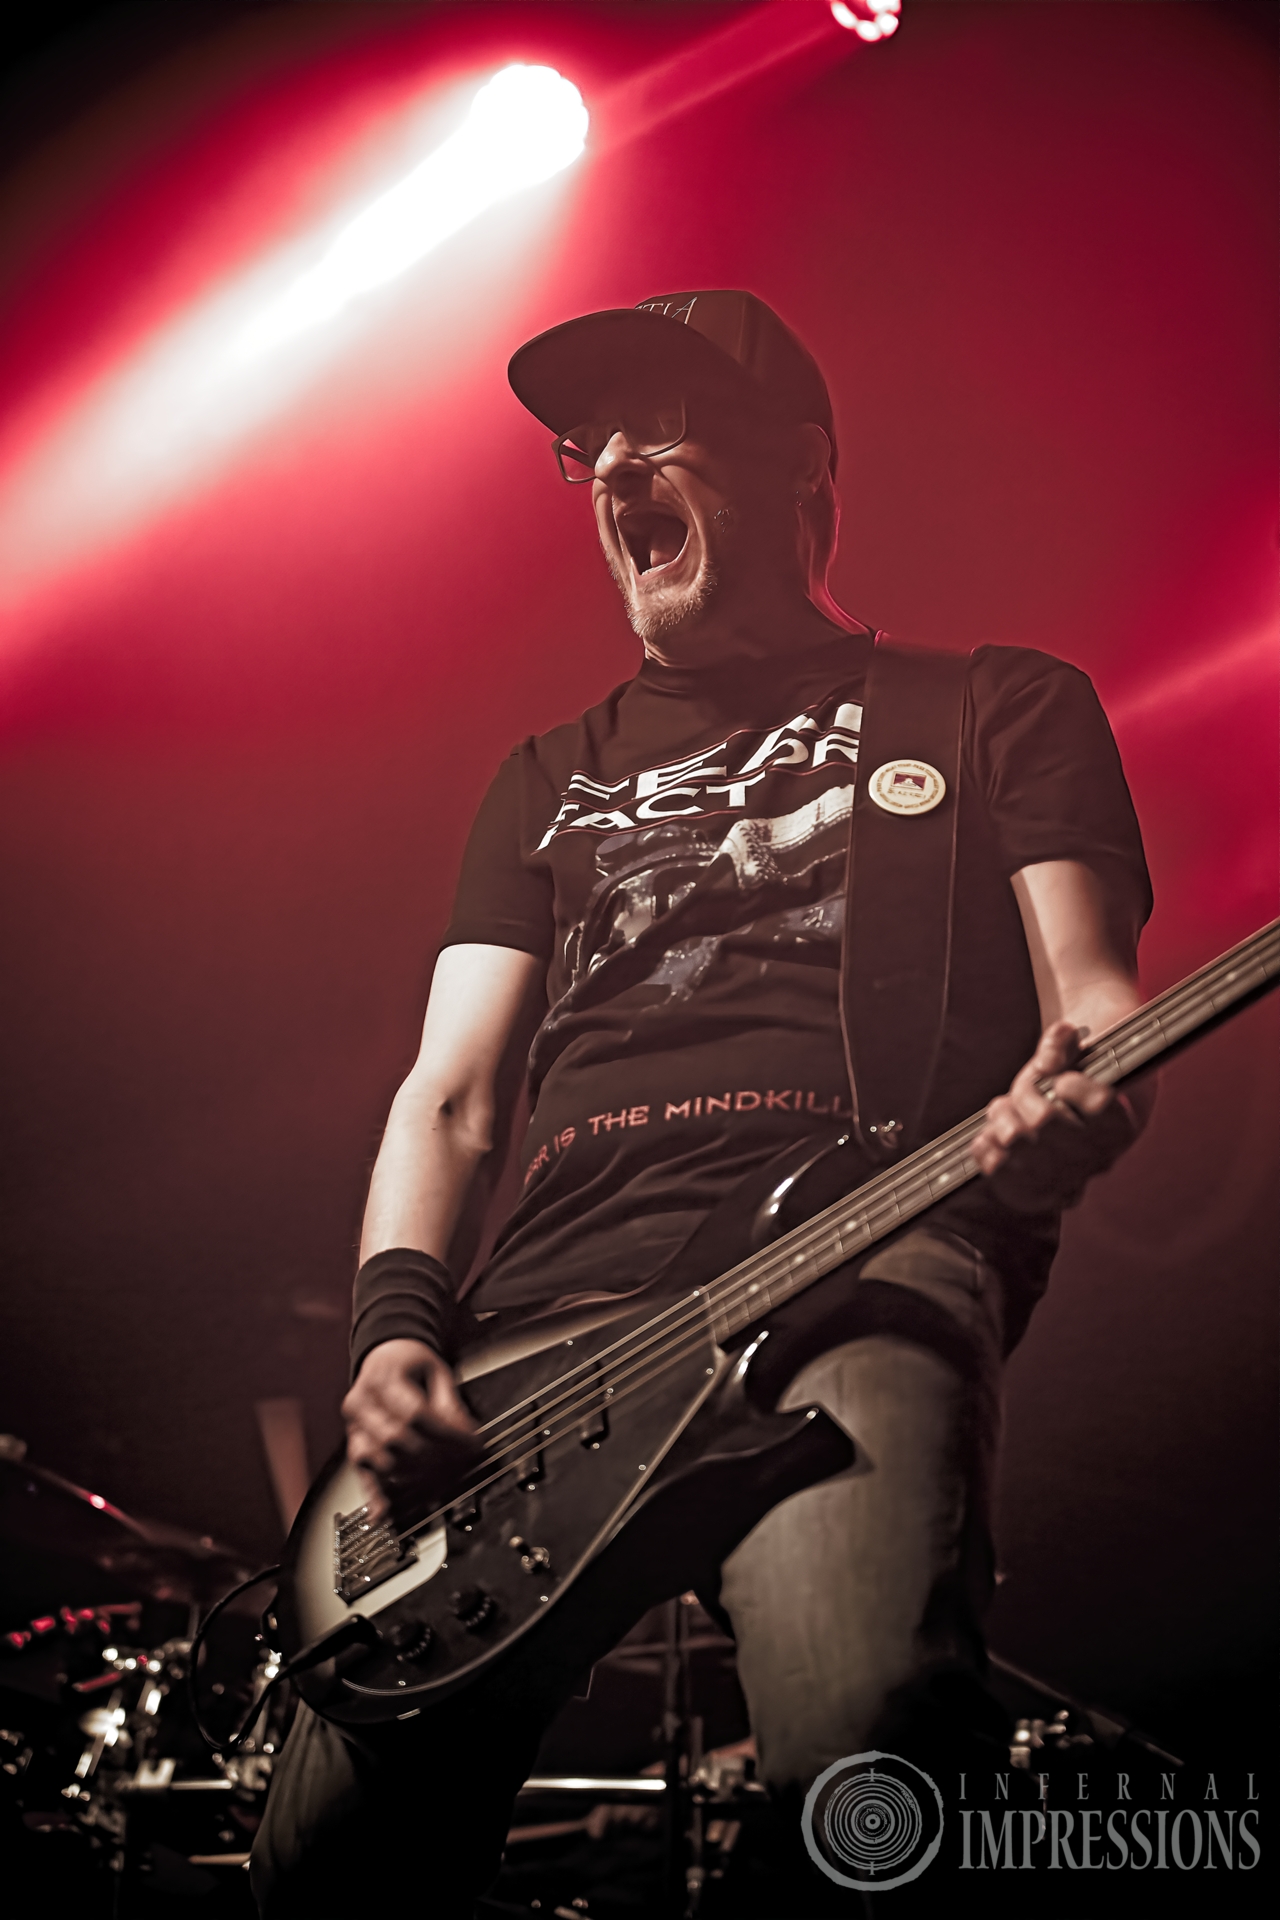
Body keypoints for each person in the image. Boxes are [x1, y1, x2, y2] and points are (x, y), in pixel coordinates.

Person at [251, 290, 1152, 1916]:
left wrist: (1068, 1108)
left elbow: (1094, 1005)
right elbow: (452, 1094)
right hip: (535, 1338)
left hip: (852, 1263)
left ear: (801, 467)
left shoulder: (994, 705)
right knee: (325, 1865)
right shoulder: (544, 775)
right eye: (587, 445)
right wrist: (395, 1334)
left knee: (871, 1758)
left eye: (661, 429)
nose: (611, 469)